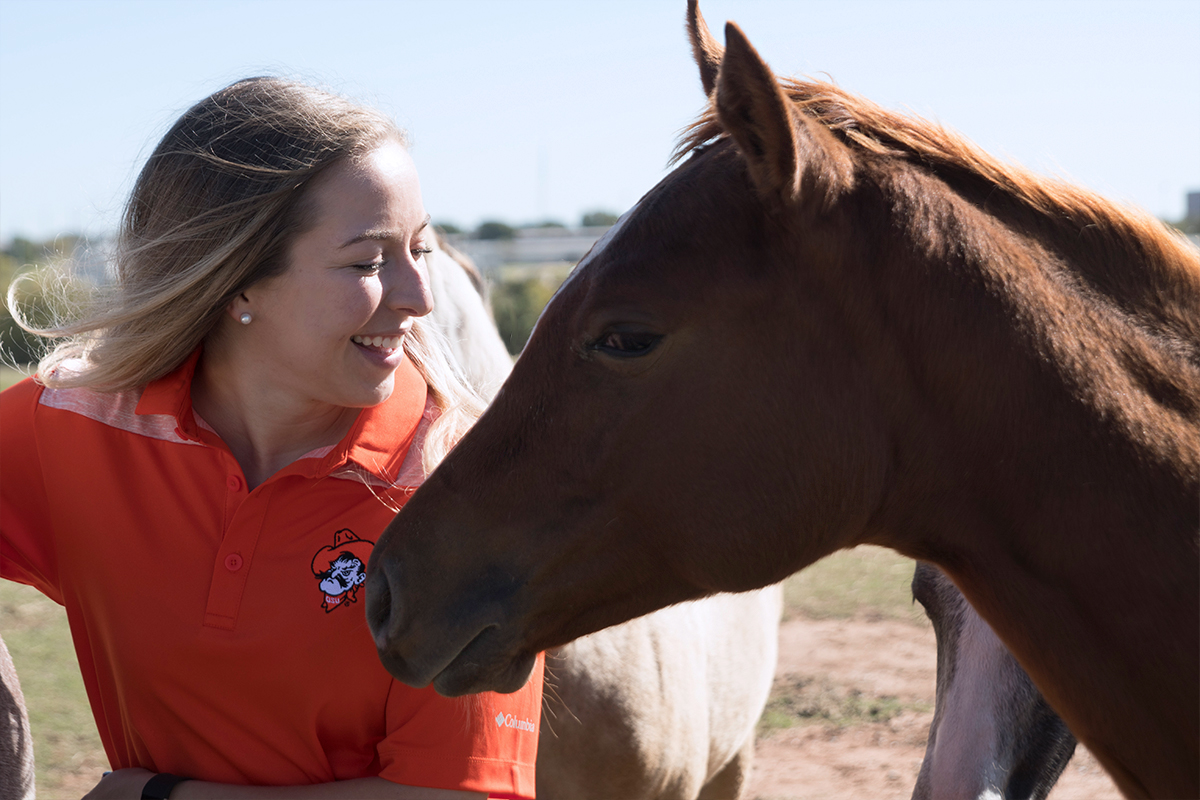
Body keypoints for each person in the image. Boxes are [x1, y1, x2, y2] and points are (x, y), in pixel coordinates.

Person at [0, 77, 542, 800]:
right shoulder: (75, 424)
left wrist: (158, 796)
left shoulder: (467, 501)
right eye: (369, 263)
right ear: (239, 281)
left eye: (420, 249)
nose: (421, 298)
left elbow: (459, 796)